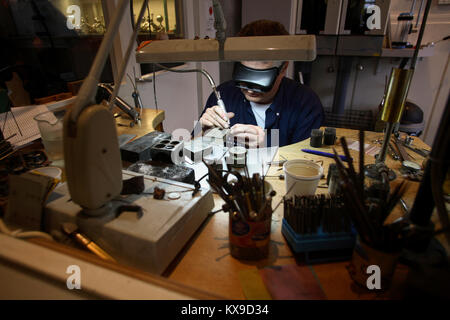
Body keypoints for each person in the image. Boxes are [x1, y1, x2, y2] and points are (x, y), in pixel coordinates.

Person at [199, 19, 324, 148]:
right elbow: (190, 150)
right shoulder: (223, 94)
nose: (250, 89)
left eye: (260, 80)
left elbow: (308, 163)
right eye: (245, 77)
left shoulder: (306, 103)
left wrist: (265, 152)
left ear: (283, 68)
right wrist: (202, 134)